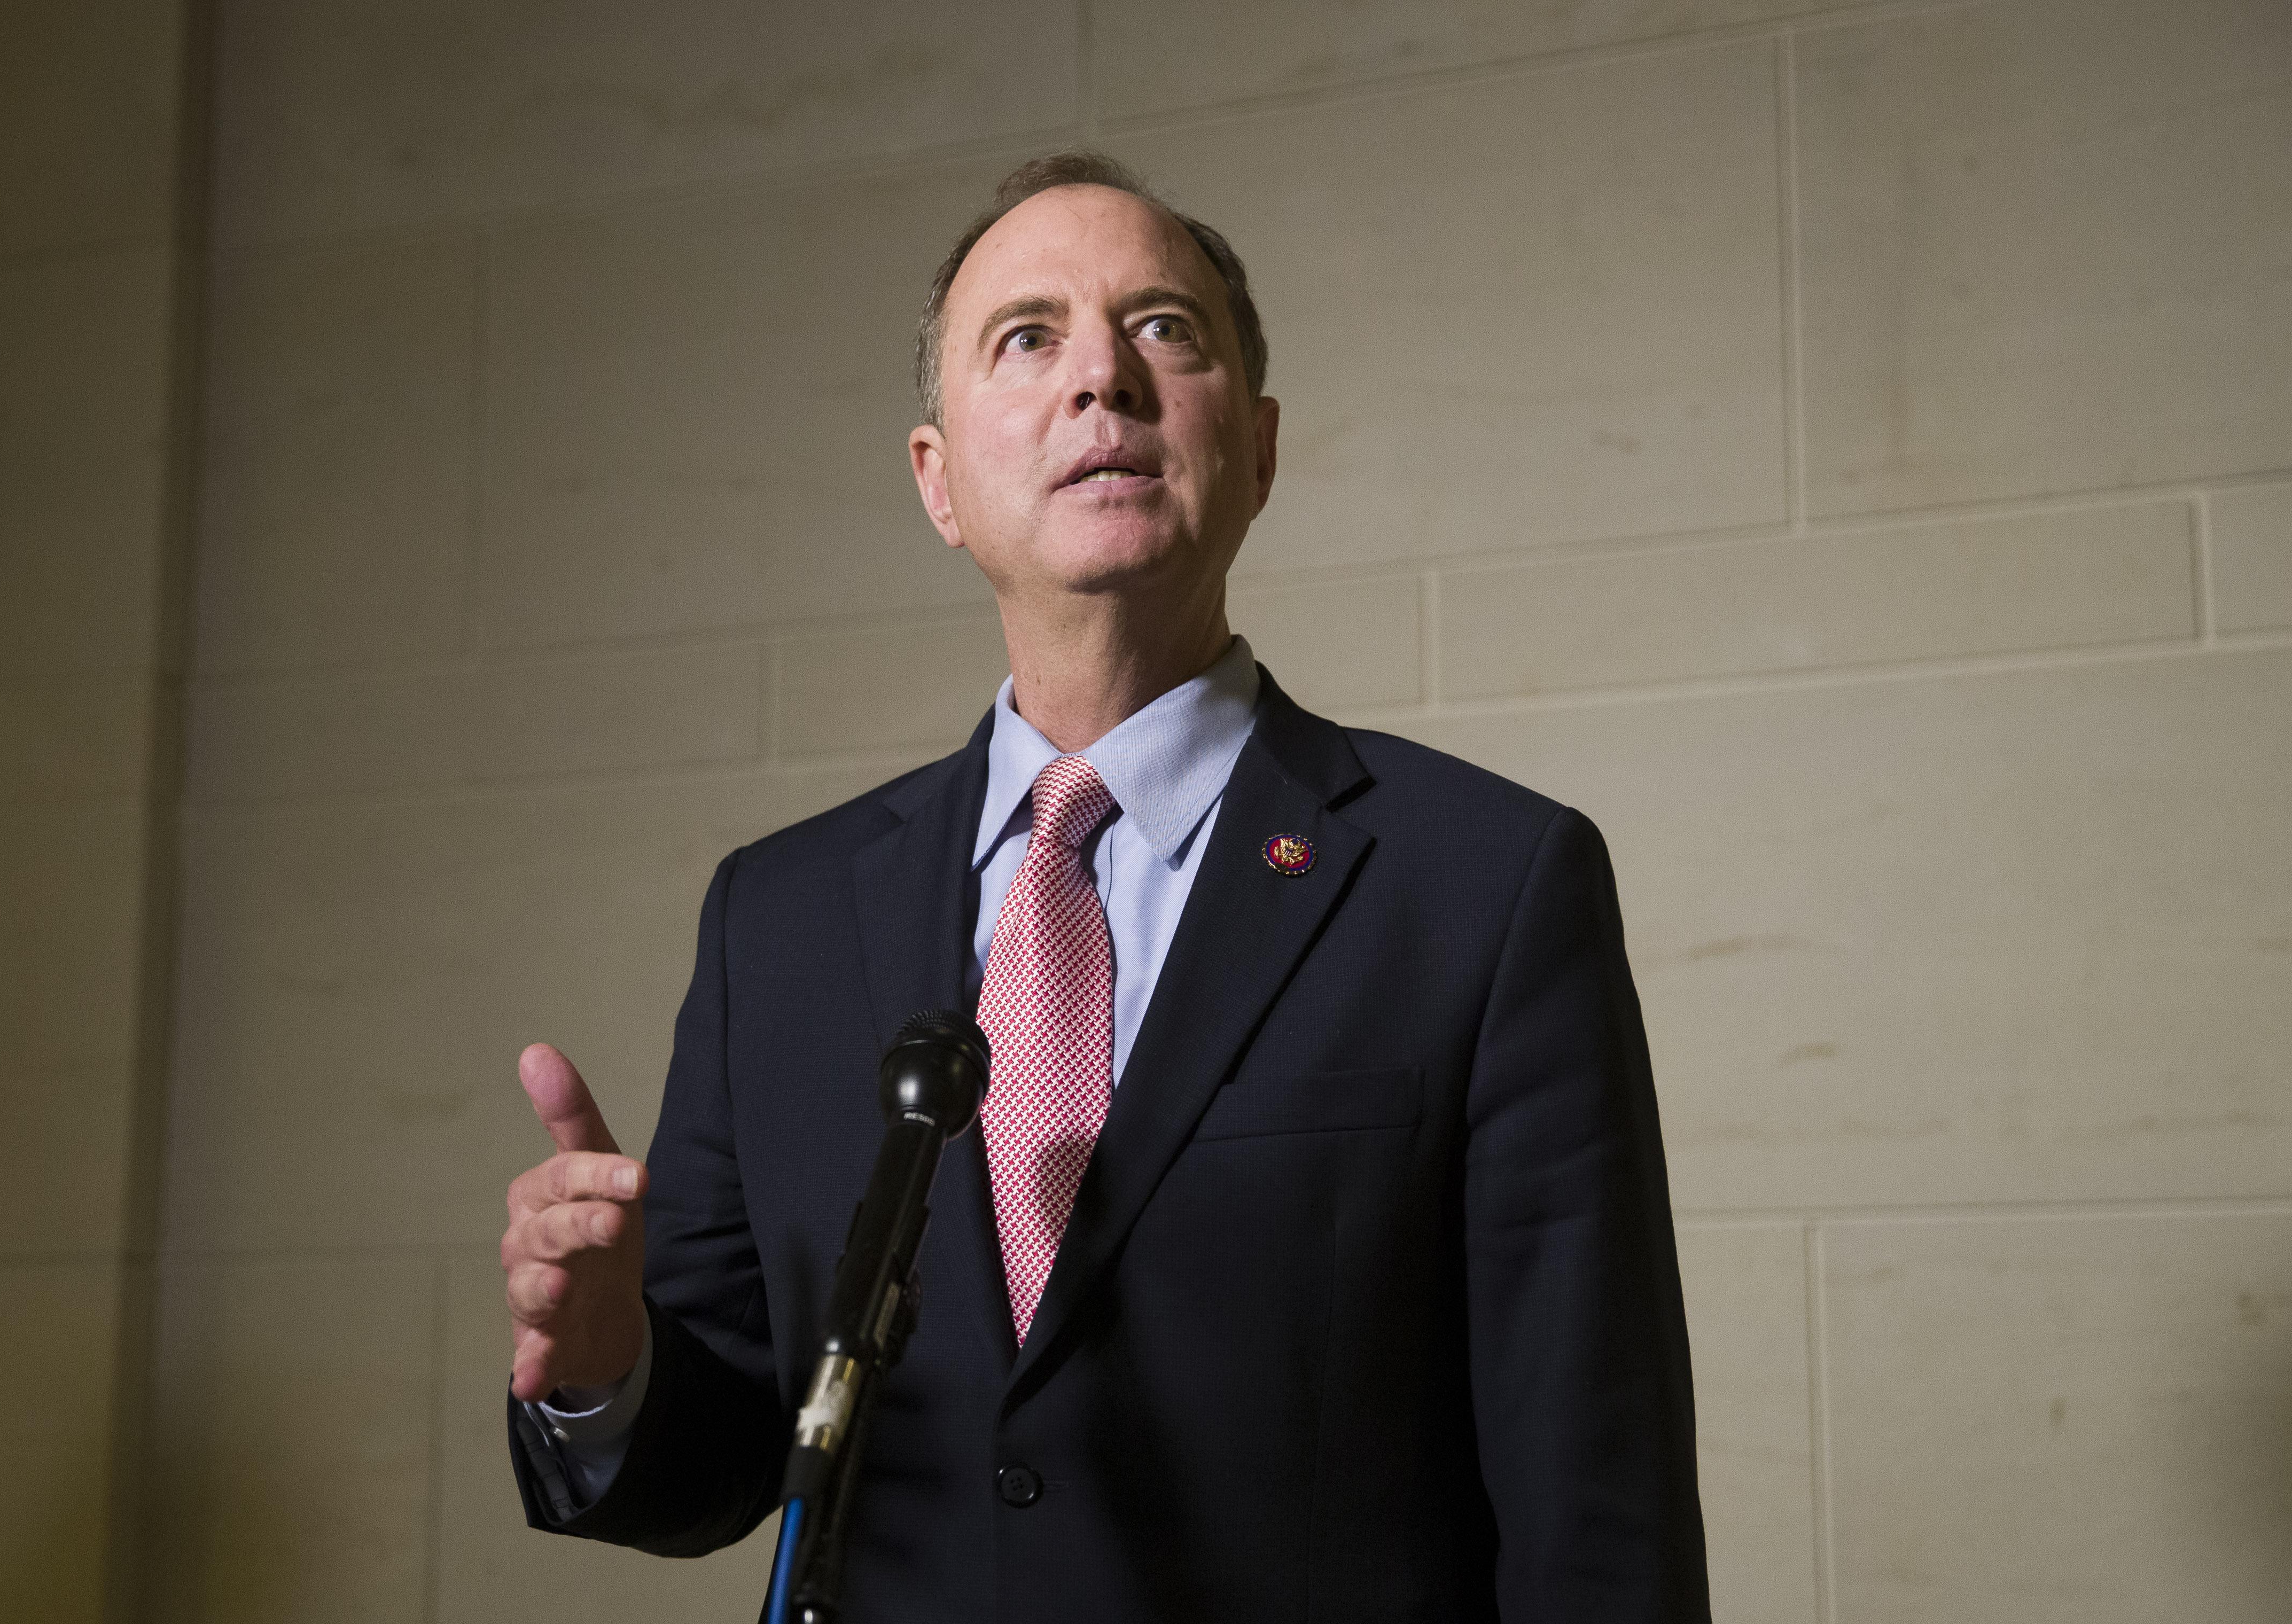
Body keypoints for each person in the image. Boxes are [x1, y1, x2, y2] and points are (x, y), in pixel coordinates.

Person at [498, 151, 1709, 1621]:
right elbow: (721, 1458)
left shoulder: (1486, 888)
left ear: (1257, 451)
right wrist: (611, 1366)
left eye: (1164, 331)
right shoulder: (781, 921)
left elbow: (1598, 1516)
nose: (1102, 383)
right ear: (939, 481)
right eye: (1028, 339)